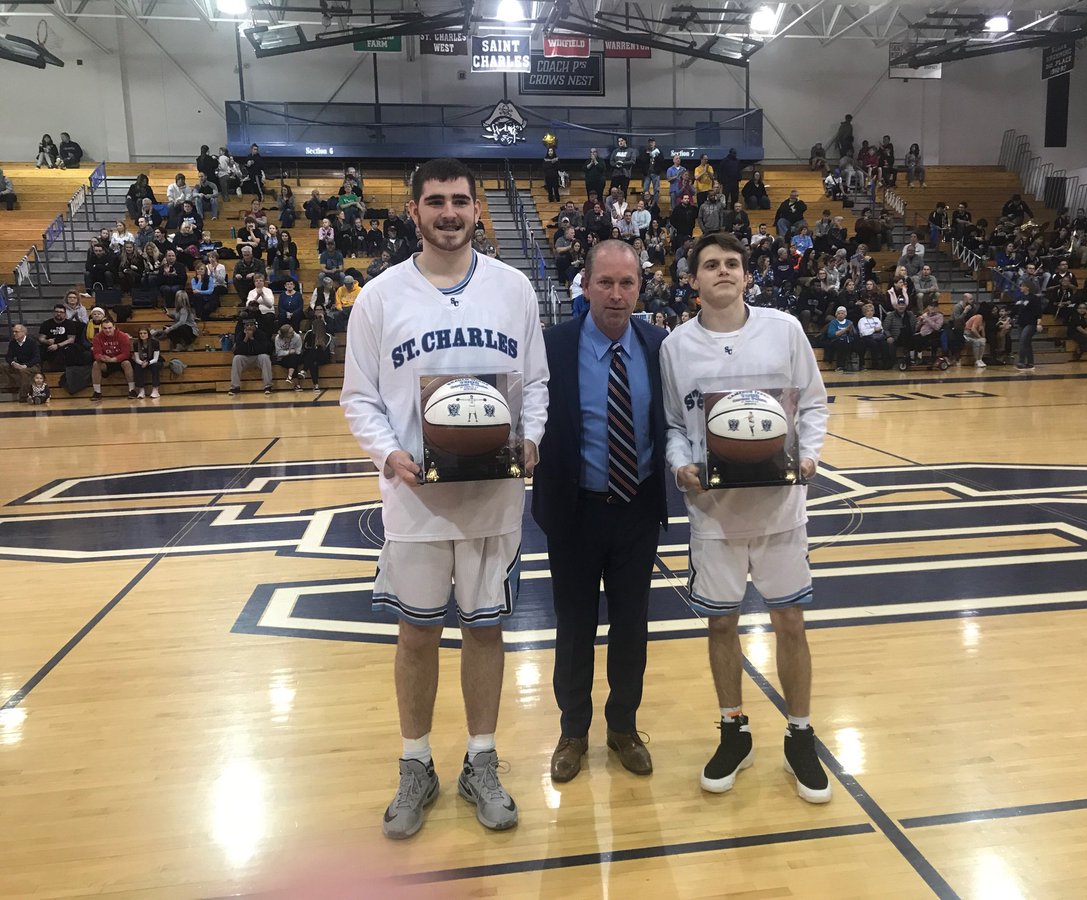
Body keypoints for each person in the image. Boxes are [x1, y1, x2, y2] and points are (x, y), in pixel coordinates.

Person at [340, 158, 549, 841]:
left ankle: (481, 761)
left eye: (461, 200)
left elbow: (535, 382)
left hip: (492, 498)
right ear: (414, 211)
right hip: (415, 502)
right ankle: (416, 764)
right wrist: (387, 453)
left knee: (485, 629)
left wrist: (532, 437)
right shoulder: (379, 297)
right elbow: (359, 397)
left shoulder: (513, 288)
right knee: (417, 633)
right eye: (436, 202)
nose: (450, 213)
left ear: (478, 208)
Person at [660, 231, 831, 802]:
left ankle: (800, 734)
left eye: (732, 263)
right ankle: (734, 729)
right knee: (721, 624)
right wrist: (680, 464)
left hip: (781, 509)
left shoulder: (784, 330)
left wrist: (810, 455)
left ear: (747, 275)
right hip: (714, 513)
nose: (723, 271)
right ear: (694, 280)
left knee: (791, 622)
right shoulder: (675, 346)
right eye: (711, 264)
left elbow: (813, 403)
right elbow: (673, 425)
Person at [532, 240, 670, 784]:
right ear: (585, 286)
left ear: (640, 288)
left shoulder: (659, 346)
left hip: (636, 510)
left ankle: (623, 727)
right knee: (574, 627)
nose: (616, 294)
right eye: (605, 282)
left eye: (626, 283)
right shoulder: (551, 347)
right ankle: (572, 732)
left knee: (632, 626)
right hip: (574, 512)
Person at [90, 319, 135, 401]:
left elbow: (126, 354)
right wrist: (102, 357)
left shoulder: (122, 336)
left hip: (120, 361)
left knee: (127, 363)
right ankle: (97, 392)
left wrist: (114, 359)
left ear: (114, 327)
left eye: (109, 328)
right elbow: (96, 354)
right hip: (106, 362)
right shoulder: (97, 337)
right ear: (102, 328)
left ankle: (132, 390)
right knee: (96, 364)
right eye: (105, 328)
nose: (107, 330)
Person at [228, 318, 274, 395]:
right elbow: (237, 351)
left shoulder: (261, 334)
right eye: (247, 325)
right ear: (244, 327)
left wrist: (252, 338)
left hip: (258, 357)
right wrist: (246, 338)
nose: (249, 327)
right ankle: (235, 387)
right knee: (236, 358)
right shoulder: (240, 335)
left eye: (251, 325)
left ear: (255, 326)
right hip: (245, 358)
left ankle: (268, 386)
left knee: (265, 357)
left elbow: (263, 349)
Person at [38, 304, 87, 371]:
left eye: (61, 312)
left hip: (63, 346)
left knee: (71, 349)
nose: (59, 314)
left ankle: (61, 369)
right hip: (49, 346)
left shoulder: (70, 324)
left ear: (65, 314)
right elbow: (41, 338)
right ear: (53, 313)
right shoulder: (46, 323)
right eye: (57, 312)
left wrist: (58, 345)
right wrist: (47, 341)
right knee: (39, 349)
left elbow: (71, 339)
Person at [301, 305, 335, 391]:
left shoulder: (329, 320)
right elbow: (307, 339)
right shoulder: (311, 322)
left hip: (323, 353)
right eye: (317, 310)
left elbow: (331, 333)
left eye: (320, 309)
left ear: (324, 311)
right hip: (312, 352)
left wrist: (323, 322)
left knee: (313, 355)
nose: (319, 311)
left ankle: (304, 370)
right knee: (313, 362)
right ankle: (316, 385)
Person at [5, 324, 41, 401]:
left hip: (33, 365)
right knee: (3, 366)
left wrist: (26, 365)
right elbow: (8, 357)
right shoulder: (13, 343)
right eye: (13, 332)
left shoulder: (32, 342)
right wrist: (13, 363)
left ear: (23, 332)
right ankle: (12, 386)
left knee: (23, 371)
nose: (14, 333)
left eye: (16, 332)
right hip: (19, 364)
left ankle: (24, 395)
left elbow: (37, 358)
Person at [1013, 282, 1043, 371]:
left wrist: (1039, 323)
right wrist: (1008, 320)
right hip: (1021, 323)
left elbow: (1039, 312)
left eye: (1022, 286)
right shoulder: (1020, 298)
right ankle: (1030, 363)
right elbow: (1015, 310)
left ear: (1028, 287)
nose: (1020, 287)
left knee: (1023, 341)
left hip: (1031, 323)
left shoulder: (1034, 298)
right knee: (1026, 343)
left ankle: (1021, 362)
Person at [131, 327, 162, 398]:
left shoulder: (155, 342)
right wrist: (142, 363)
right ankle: (141, 390)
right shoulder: (136, 343)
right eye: (140, 333)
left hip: (154, 361)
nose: (142, 335)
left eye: (145, 333)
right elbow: (137, 358)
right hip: (142, 361)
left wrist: (148, 363)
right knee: (137, 367)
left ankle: (155, 390)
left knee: (155, 366)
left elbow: (156, 358)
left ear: (148, 334)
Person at [274, 323, 305, 389]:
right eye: (290, 332)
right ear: (285, 334)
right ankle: (295, 383)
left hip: (296, 356)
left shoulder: (297, 337)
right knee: (293, 361)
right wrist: (288, 352)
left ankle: (290, 376)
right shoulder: (278, 338)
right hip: (283, 358)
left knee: (293, 359)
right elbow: (278, 353)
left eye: (293, 331)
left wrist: (293, 352)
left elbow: (298, 351)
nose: (293, 333)